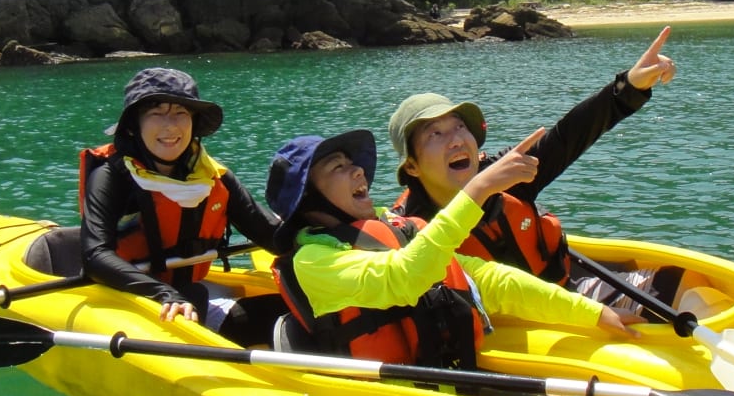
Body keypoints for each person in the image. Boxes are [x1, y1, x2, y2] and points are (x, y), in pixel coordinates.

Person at [265, 128, 636, 371]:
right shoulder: (314, 261)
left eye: (353, 164)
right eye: (338, 168)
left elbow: (489, 281)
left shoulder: (398, 230)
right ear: (308, 199)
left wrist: (592, 313)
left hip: (451, 381)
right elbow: (406, 278)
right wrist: (477, 190)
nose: (359, 171)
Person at [387, 28, 676, 309]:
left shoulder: (506, 174)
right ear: (412, 167)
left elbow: (570, 135)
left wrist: (630, 86)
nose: (456, 140)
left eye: (460, 126)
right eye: (435, 134)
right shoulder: (407, 232)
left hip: (566, 290)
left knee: (677, 283)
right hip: (520, 325)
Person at [80, 67, 281, 342]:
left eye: (180, 113)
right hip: (126, 298)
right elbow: (94, 255)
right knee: (192, 295)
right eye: (156, 113)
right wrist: (163, 293)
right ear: (134, 125)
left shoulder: (212, 177)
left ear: (193, 123)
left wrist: (324, 236)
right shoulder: (111, 177)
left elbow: (270, 234)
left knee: (280, 311)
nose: (171, 126)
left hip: (185, 298)